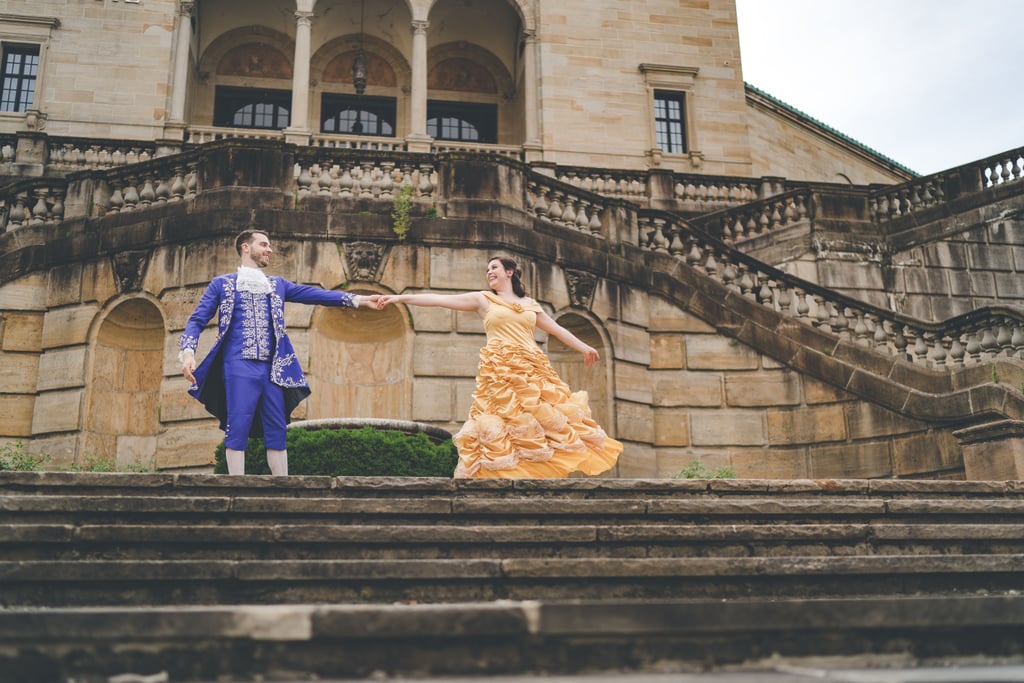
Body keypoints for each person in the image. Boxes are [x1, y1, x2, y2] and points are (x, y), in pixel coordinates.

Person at [378, 256, 623, 478]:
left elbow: (557, 329)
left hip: (531, 367)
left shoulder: (530, 304)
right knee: (502, 420)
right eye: (487, 269)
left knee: (541, 418)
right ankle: (505, 473)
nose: (489, 272)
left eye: (494, 267)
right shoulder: (483, 299)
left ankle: (535, 471)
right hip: (500, 369)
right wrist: (400, 297)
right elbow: (439, 299)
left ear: (510, 271)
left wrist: (584, 347)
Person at [180, 229, 380, 476]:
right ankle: (235, 485)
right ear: (245, 247)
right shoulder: (222, 284)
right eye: (263, 244)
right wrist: (188, 353)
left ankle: (283, 486)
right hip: (237, 364)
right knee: (238, 424)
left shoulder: (277, 285)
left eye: (269, 245)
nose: (269, 249)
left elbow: (315, 295)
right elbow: (197, 320)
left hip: (274, 369)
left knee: (277, 427)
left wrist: (358, 300)